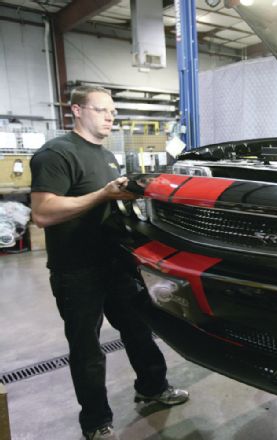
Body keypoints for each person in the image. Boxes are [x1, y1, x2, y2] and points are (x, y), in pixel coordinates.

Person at [30, 86, 189, 440]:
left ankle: (152, 386)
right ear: (77, 110)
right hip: (76, 270)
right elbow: (42, 213)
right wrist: (102, 193)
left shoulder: (106, 156)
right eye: (102, 110)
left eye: (113, 112)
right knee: (87, 348)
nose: (110, 117)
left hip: (114, 263)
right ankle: (96, 422)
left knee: (138, 328)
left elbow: (106, 205)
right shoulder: (56, 154)